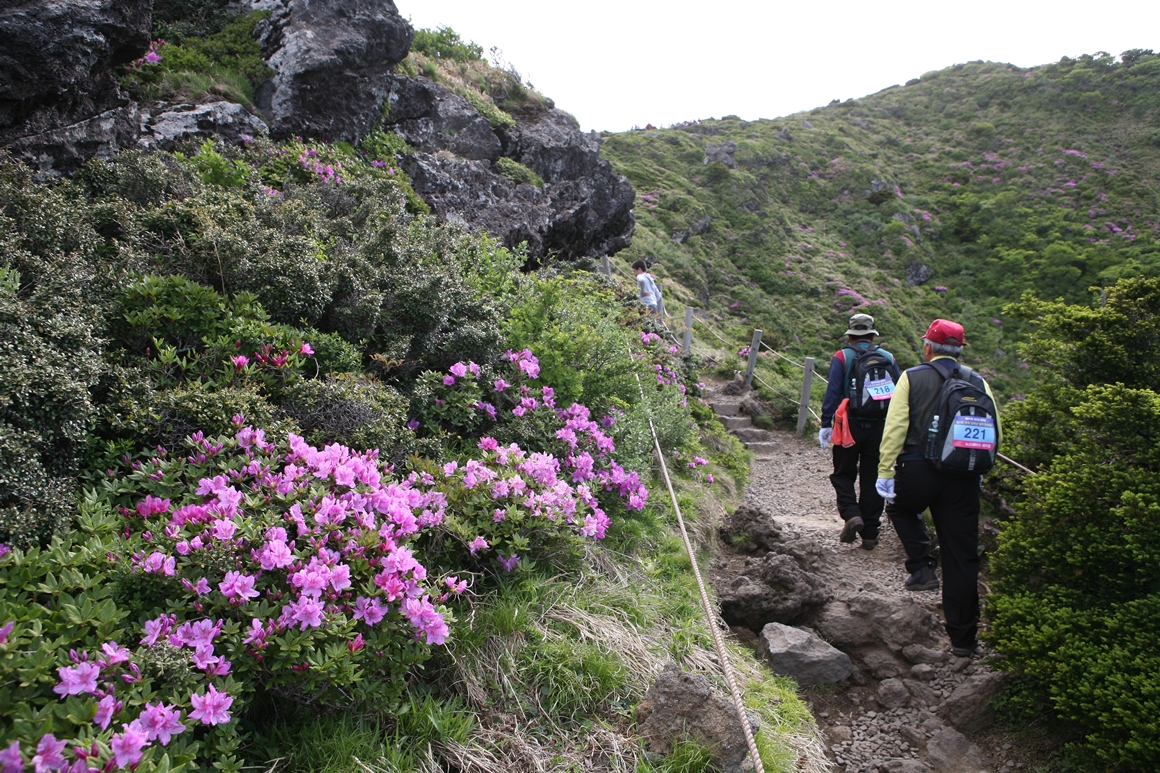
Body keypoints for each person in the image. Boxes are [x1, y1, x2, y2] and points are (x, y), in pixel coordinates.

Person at [875, 319, 1001, 657]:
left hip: (918, 470)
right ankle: (963, 641)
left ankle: (922, 566)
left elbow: (896, 427)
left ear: (928, 347)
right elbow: (993, 431)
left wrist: (885, 471)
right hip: (963, 477)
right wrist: (978, 471)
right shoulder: (979, 381)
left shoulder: (912, 377)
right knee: (962, 557)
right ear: (959, 351)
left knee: (900, 507)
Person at [818, 313, 900, 550]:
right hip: (881, 426)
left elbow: (833, 393)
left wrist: (826, 424)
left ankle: (852, 514)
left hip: (848, 426)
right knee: (872, 476)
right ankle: (870, 534)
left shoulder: (842, 357)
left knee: (843, 474)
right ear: (872, 336)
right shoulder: (888, 358)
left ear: (851, 335)